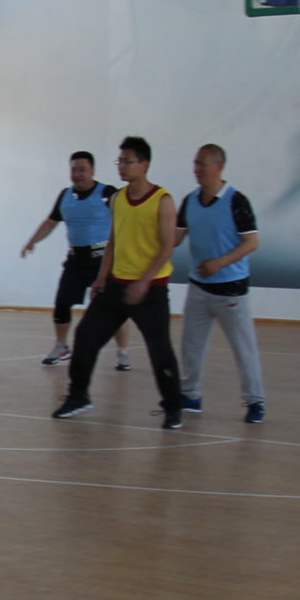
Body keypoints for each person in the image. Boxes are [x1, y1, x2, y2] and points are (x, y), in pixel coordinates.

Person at [52, 137, 185, 428]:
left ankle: (173, 407)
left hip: (151, 288)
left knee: (160, 348)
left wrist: (143, 282)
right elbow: (113, 240)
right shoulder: (118, 199)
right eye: (119, 161)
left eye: (127, 161)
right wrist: (102, 277)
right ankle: (78, 396)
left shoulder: (162, 200)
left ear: (144, 164)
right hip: (115, 285)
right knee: (85, 336)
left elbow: (167, 247)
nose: (121, 166)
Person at [174, 144, 264, 424]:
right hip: (198, 289)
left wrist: (219, 263)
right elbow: (174, 238)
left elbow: (252, 242)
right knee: (191, 346)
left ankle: (255, 401)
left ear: (219, 166)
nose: (197, 169)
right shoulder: (189, 201)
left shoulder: (237, 201)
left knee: (244, 349)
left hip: (232, 292)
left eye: (202, 163)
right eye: (195, 163)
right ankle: (190, 395)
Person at [20, 151, 134, 369]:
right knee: (62, 304)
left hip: (103, 262)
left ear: (92, 171)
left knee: (114, 309)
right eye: (74, 170)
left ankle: (123, 351)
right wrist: (32, 241)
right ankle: (61, 346)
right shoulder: (65, 196)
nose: (78, 174)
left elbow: (127, 220)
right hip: (75, 262)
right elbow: (51, 222)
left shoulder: (108, 193)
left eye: (83, 169)